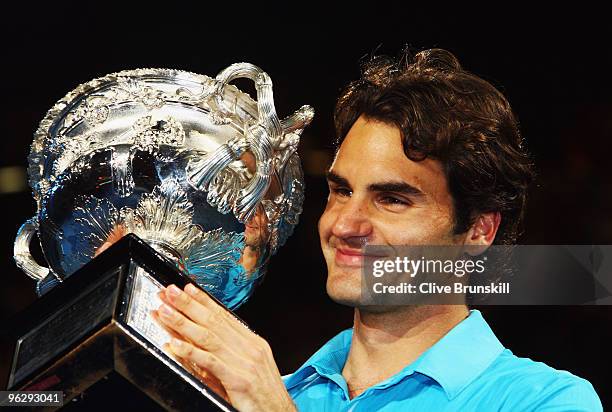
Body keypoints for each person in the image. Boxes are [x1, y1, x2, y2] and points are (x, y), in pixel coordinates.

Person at [151, 49, 603, 411]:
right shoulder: (259, 392)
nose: (345, 225)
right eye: (341, 191)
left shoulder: (543, 401)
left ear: (479, 230)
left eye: (392, 200)